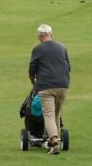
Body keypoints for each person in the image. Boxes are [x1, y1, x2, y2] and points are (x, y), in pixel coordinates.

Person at [29, 24, 70, 154]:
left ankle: (53, 142)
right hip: (63, 85)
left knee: (49, 115)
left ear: (39, 37)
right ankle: (54, 141)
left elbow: (32, 71)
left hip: (45, 87)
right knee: (57, 115)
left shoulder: (37, 49)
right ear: (51, 34)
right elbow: (68, 67)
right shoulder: (62, 48)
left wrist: (34, 83)